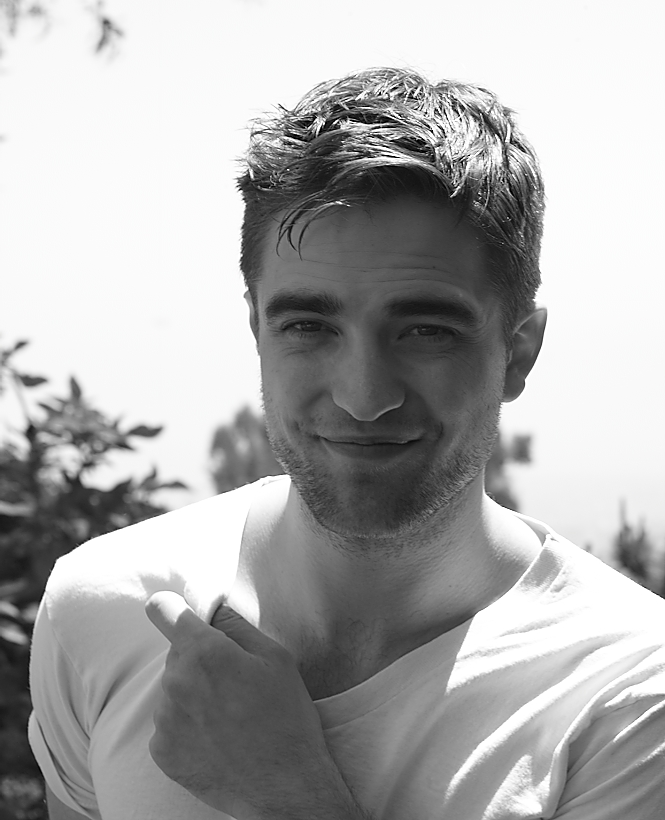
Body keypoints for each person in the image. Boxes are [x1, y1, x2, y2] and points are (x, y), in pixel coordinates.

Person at [29, 67, 665, 820]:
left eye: (424, 330)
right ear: (257, 329)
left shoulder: (629, 691)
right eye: (308, 325)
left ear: (518, 352)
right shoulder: (104, 607)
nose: (363, 397)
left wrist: (287, 793)